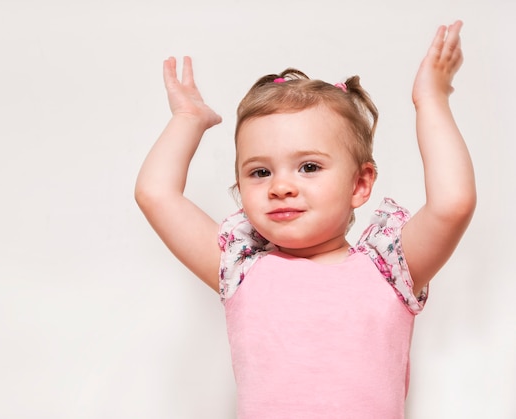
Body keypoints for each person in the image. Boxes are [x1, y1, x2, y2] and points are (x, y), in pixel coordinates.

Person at [135, 20, 475, 418]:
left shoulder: (388, 269)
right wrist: (188, 118)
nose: (281, 187)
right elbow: (156, 194)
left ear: (360, 184)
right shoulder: (241, 270)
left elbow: (453, 204)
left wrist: (431, 99)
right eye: (260, 172)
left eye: (309, 167)